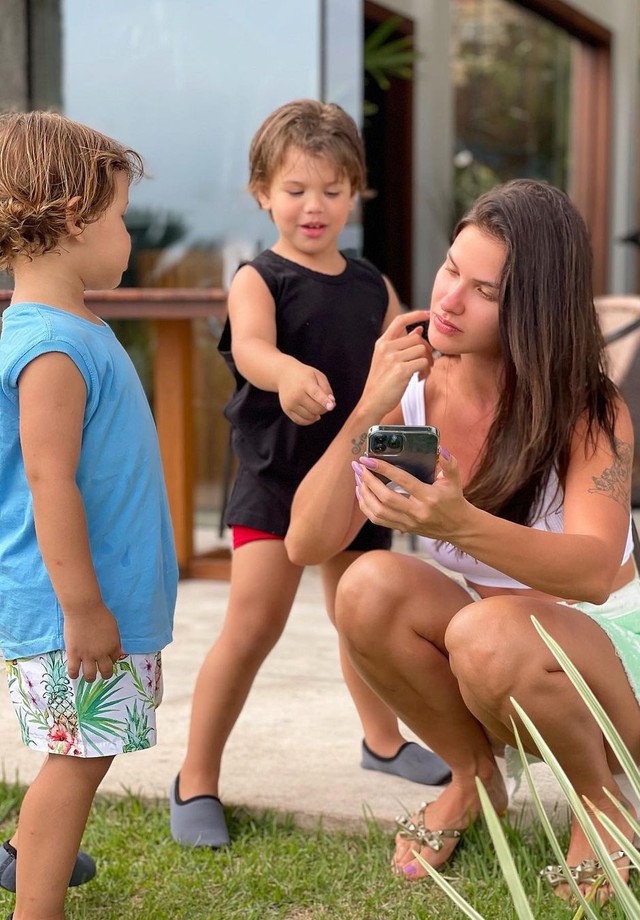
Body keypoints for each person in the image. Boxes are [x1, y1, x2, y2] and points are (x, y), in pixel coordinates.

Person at [286, 178, 640, 902]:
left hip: (605, 658)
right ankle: (474, 777)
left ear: (533, 308)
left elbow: (596, 572)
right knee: (366, 588)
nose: (447, 299)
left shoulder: (584, 407)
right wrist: (367, 410)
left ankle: (603, 800)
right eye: (451, 268)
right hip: (491, 655)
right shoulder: (416, 395)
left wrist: (459, 525)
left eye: (484, 289)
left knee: (484, 631)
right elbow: (307, 543)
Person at [170, 99, 450, 849]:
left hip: (358, 478)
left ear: (355, 192)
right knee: (253, 626)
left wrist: (412, 461)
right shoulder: (258, 278)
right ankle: (196, 776)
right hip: (275, 477)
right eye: (295, 190)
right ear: (263, 193)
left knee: (362, 620)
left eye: (331, 190)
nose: (313, 206)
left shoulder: (370, 283)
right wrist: (286, 371)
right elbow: (253, 350)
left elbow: (406, 368)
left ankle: (382, 742)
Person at [0, 111, 177, 920]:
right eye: (120, 219)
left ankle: (34, 854)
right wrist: (84, 609)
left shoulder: (74, 328)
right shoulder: (51, 347)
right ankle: (36, 903)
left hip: (92, 605)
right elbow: (49, 481)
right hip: (71, 612)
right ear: (75, 218)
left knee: (78, 756)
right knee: (74, 763)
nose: (127, 236)